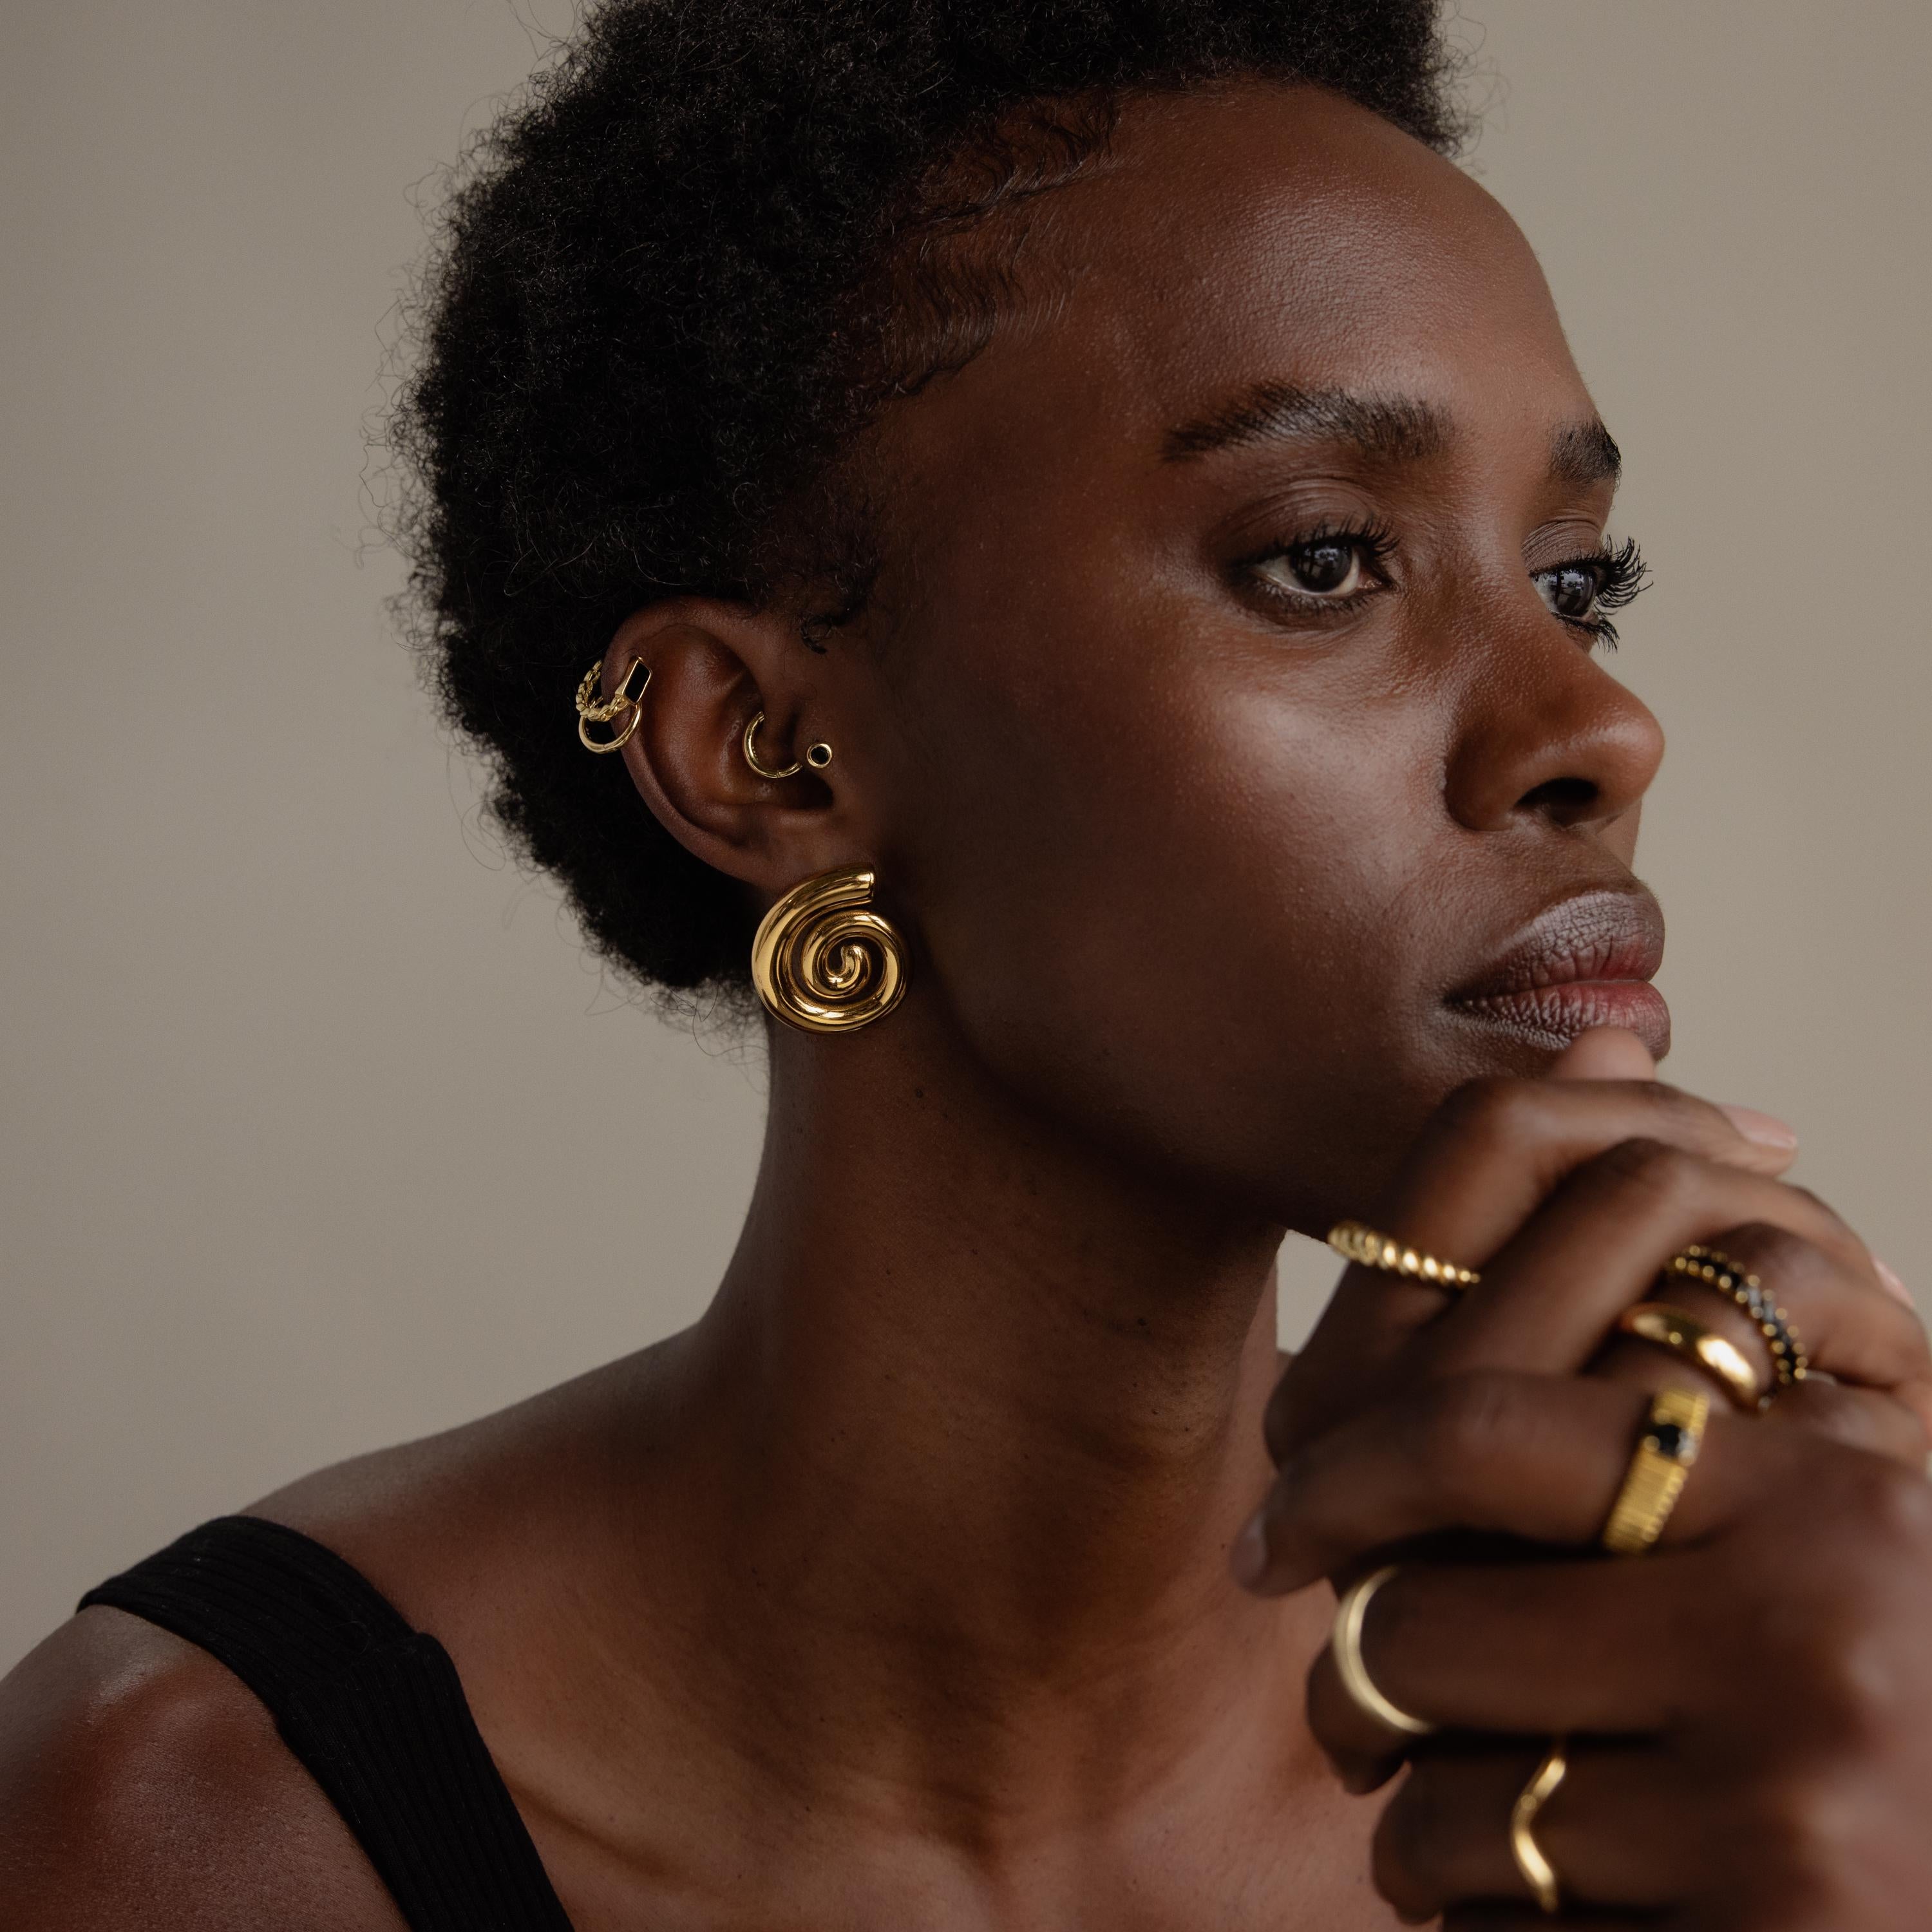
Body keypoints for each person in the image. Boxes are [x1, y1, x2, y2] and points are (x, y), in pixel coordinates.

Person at [5, 3, 1931, 1926]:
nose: (1600, 723)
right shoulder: (203, 1832)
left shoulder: (1754, 1737)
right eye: (1328, 558)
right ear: (765, 750)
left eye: (1580, 581)